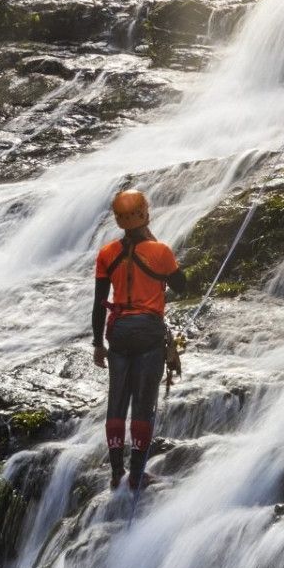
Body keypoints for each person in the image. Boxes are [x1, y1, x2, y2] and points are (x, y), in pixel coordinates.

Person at [93, 189, 187, 491]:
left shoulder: (107, 253)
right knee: (144, 404)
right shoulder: (161, 252)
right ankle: (136, 475)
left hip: (118, 331)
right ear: (145, 213)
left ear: (119, 219)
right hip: (148, 330)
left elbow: (98, 303)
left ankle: (116, 474)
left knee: (117, 401)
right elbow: (182, 286)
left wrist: (98, 344)